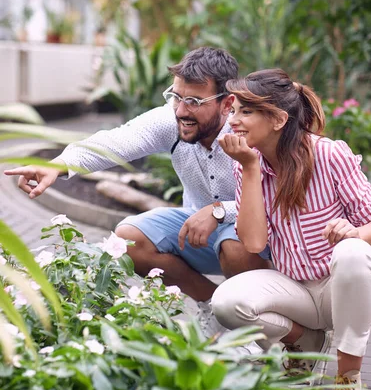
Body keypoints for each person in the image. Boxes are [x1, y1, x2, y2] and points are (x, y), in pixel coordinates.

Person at [5, 47, 271, 329]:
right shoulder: (172, 120)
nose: (181, 110)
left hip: (254, 240)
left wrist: (218, 211)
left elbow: (275, 200)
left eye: (193, 101)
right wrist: (57, 165)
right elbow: (118, 141)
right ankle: (215, 309)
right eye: (177, 97)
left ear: (227, 103)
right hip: (197, 232)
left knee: (234, 244)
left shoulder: (249, 129)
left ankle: (254, 327)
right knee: (128, 238)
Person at [211, 68, 371, 390]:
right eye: (234, 111)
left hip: (350, 288)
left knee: (353, 252)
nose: (233, 120)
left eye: (245, 111)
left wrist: (354, 232)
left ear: (278, 119)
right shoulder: (246, 164)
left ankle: (347, 387)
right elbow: (254, 244)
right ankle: (304, 341)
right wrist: (249, 168)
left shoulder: (328, 155)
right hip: (297, 290)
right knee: (227, 303)